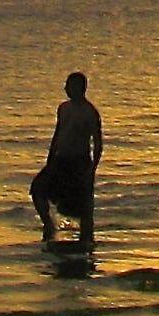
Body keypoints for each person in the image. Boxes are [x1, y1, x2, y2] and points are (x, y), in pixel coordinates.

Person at [29, 71, 103, 246]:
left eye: (69, 86)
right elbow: (58, 133)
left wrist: (92, 169)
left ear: (80, 88)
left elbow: (98, 143)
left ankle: (87, 242)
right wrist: (50, 159)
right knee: (37, 189)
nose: (65, 89)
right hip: (60, 160)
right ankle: (49, 225)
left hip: (79, 162)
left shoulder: (90, 112)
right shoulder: (63, 108)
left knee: (83, 206)